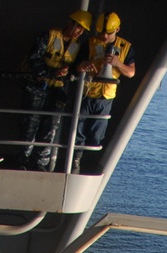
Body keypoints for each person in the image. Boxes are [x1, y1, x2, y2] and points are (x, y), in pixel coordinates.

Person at [19, 10, 92, 171]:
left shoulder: (78, 46)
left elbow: (75, 67)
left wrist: (76, 69)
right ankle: (22, 161)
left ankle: (40, 163)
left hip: (58, 91)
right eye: (77, 26)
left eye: (82, 29)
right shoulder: (48, 36)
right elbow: (34, 59)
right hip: (36, 87)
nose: (78, 31)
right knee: (30, 125)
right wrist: (52, 73)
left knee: (50, 127)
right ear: (70, 22)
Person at [74, 12, 135, 173]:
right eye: (102, 33)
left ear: (118, 29)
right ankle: (76, 161)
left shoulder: (126, 47)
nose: (105, 36)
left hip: (106, 97)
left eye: (108, 33)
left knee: (96, 135)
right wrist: (84, 65)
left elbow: (130, 72)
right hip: (88, 92)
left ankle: (88, 159)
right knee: (78, 129)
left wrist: (117, 63)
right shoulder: (90, 43)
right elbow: (77, 65)